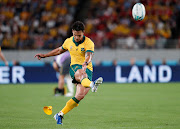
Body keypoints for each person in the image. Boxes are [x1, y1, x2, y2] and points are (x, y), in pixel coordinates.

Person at [34, 21, 103, 125]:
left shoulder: (89, 42)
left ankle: (59, 114)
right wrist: (44, 55)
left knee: (80, 96)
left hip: (87, 68)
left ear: (83, 32)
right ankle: (92, 84)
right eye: (75, 35)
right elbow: (58, 50)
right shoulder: (68, 41)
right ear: (72, 32)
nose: (77, 38)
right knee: (81, 74)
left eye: (79, 35)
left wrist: (86, 62)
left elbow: (89, 55)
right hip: (74, 68)